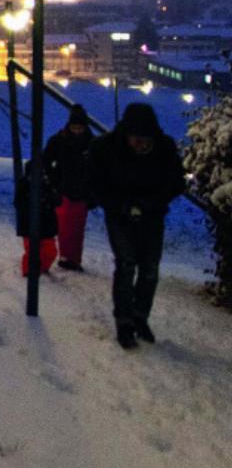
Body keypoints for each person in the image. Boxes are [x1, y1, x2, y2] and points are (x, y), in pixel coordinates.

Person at [88, 102, 188, 350]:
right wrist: (119, 204)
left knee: (150, 269)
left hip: (151, 216)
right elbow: (96, 183)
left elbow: (176, 182)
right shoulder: (108, 148)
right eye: (135, 138)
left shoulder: (164, 149)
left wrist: (150, 203)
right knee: (126, 264)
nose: (139, 144)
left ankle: (140, 316)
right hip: (119, 215)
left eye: (144, 140)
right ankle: (124, 321)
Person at [40, 105, 97, 271]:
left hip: (80, 191)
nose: (77, 131)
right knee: (66, 226)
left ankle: (72, 258)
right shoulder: (63, 141)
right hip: (65, 189)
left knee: (76, 228)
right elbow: (46, 161)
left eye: (79, 128)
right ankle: (68, 257)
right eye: (75, 127)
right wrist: (53, 180)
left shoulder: (88, 143)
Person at [14, 155, 59, 277]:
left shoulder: (49, 184)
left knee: (50, 250)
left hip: (47, 223)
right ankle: (29, 271)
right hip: (30, 224)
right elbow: (18, 202)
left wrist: (49, 199)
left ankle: (42, 267)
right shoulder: (24, 184)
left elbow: (58, 200)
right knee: (32, 249)